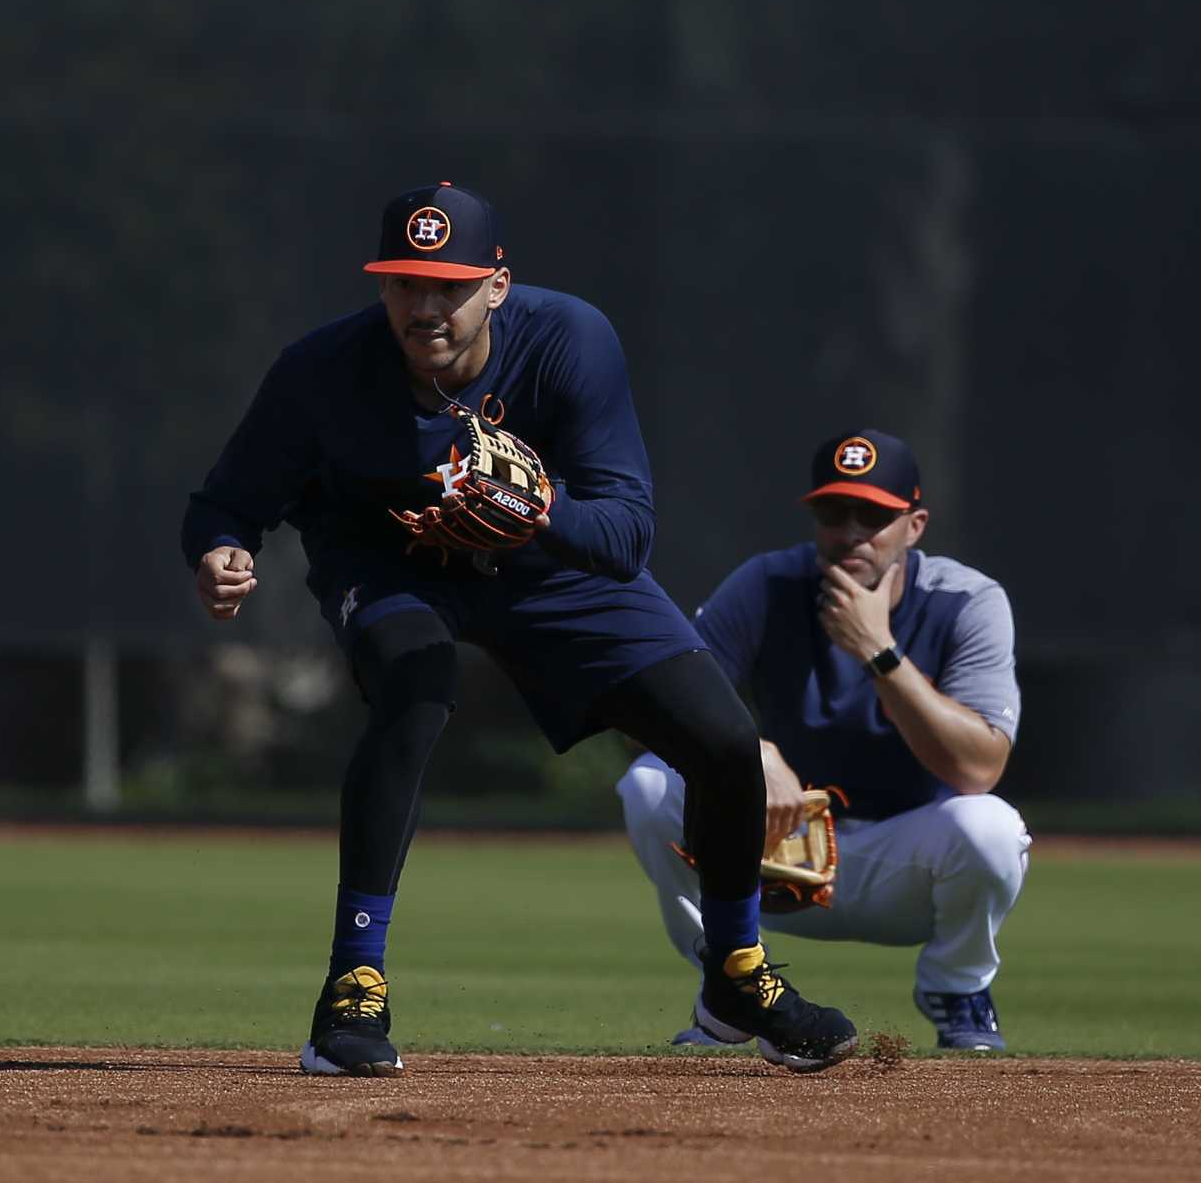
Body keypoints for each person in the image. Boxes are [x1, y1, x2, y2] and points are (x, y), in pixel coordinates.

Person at [181, 182, 857, 1076]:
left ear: (497, 286)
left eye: (449, 285)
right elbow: (224, 501)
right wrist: (220, 552)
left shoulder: (571, 341)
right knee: (418, 681)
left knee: (726, 741)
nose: (426, 306)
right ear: (381, 287)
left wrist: (539, 510)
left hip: (547, 568)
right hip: (391, 564)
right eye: (405, 284)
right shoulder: (322, 372)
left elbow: (625, 537)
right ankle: (353, 986)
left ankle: (736, 974)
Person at [616, 429, 1029, 1051]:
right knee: (649, 785)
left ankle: (957, 985)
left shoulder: (966, 600)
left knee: (991, 828)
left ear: (914, 526)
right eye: (835, 512)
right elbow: (654, 705)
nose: (852, 531)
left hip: (909, 858)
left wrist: (878, 652)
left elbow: (979, 768)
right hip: (775, 851)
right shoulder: (767, 584)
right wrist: (747, 752)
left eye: (875, 515)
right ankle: (732, 984)